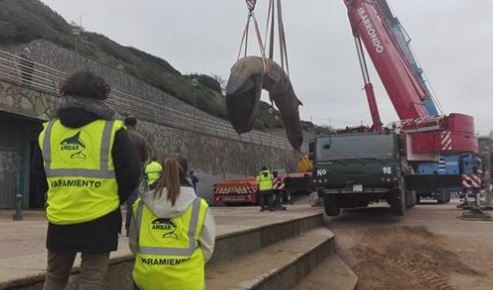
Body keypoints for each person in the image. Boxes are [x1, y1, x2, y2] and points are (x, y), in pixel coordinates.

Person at [31, 70, 141, 290]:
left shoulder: (49, 131)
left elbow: (36, 175)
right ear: (100, 96)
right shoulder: (112, 130)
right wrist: (112, 198)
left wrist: (55, 197)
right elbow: (131, 172)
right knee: (91, 280)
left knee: (54, 277)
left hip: (61, 216)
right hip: (100, 217)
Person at [129, 154, 215, 290]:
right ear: (187, 173)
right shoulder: (199, 206)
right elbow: (207, 248)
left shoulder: (141, 205)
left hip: (147, 280)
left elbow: (133, 244)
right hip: (186, 282)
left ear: (161, 171)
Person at [124, 116, 149, 235]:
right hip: (134, 173)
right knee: (132, 201)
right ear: (135, 124)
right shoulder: (141, 139)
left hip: (116, 172)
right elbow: (145, 157)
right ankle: (129, 228)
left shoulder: (119, 135)